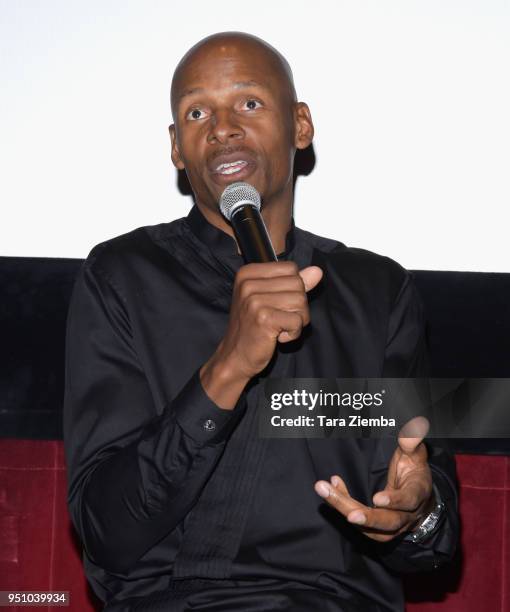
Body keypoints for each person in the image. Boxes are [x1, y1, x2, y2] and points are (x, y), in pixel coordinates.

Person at [63, 32, 459, 612]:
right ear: (177, 147)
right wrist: (226, 369)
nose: (221, 126)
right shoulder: (122, 277)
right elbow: (107, 530)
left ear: (301, 125)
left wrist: (416, 515)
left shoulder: (377, 290)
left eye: (249, 103)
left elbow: (432, 532)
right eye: (197, 112)